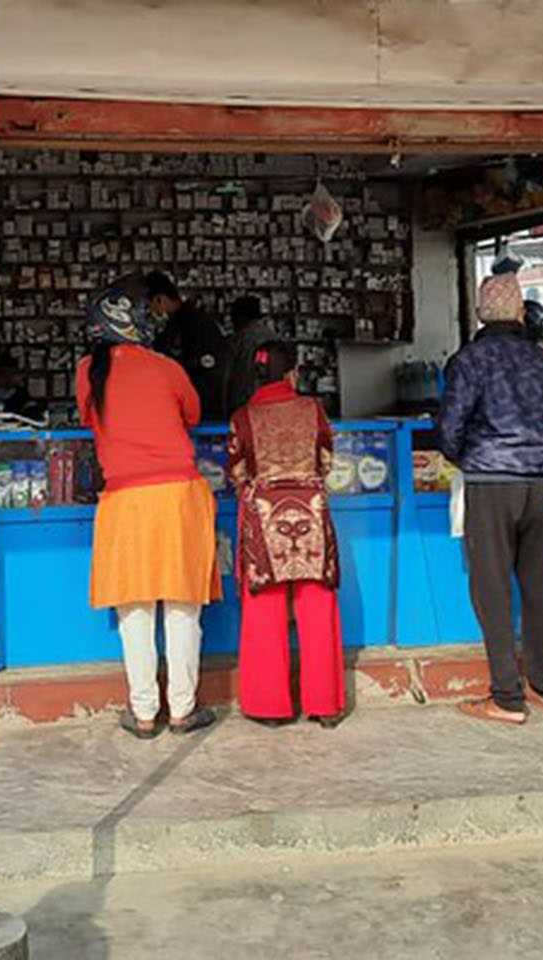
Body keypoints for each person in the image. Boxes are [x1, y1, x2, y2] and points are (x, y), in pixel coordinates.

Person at [76, 274, 222, 739]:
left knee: (133, 612)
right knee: (183, 608)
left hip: (124, 501)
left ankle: (143, 714)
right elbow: (194, 414)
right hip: (178, 496)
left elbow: (88, 417)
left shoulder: (87, 373)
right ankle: (182, 710)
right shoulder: (166, 368)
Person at [437, 273, 543, 725]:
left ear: (478, 314)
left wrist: (467, 458)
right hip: (539, 484)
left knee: (492, 591)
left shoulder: (469, 361)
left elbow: (449, 427)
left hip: (491, 483)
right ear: (519, 313)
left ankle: (507, 697)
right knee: (541, 587)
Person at [229, 340, 346, 728]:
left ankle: (270, 706)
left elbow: (237, 472)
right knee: (317, 605)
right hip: (310, 513)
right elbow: (326, 460)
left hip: (264, 517)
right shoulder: (312, 410)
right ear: (292, 373)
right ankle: (325, 704)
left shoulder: (243, 416)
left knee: (265, 607)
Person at [145, 271, 233, 422]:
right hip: (180, 409)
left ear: (160, 299)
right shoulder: (173, 325)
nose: (149, 313)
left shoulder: (197, 325)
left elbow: (209, 375)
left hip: (201, 411)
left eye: (149, 306)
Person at [225, 295, 280, 416]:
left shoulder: (238, 339)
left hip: (243, 402)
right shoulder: (273, 336)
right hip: (270, 401)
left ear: (240, 317)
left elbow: (225, 374)